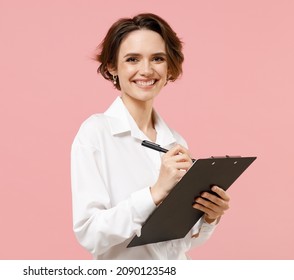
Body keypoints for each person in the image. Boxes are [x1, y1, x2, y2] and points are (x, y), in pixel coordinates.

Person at [70, 13, 230, 260]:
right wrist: (155, 193)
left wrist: (209, 216)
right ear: (112, 66)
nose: (146, 70)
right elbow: (91, 234)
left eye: (157, 58)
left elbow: (177, 244)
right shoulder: (96, 133)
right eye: (132, 59)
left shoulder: (176, 142)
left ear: (169, 68)